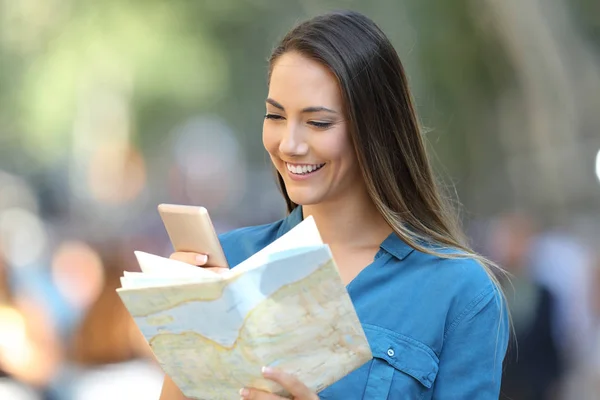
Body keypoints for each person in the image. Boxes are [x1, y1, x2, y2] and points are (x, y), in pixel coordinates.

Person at [160, 10, 509, 400]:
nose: (289, 144)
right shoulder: (228, 262)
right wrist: (185, 327)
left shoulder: (459, 292)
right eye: (275, 116)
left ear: (376, 129)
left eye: (318, 123)